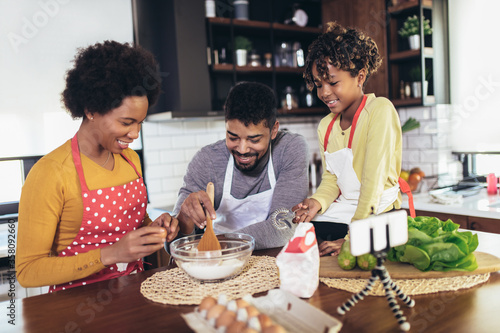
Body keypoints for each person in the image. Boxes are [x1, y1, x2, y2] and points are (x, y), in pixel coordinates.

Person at [16, 41, 179, 291]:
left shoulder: (130, 159)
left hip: (135, 295)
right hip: (75, 310)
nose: (134, 134)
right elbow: (27, 271)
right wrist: (110, 254)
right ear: (91, 110)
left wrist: (153, 228)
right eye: (126, 122)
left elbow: (133, 223)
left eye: (140, 123)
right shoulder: (51, 173)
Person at [293, 22, 414, 256]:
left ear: (360, 77)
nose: (324, 92)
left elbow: (372, 185)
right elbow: (331, 180)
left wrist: (353, 239)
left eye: (333, 82)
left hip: (381, 213)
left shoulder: (380, 110)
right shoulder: (326, 126)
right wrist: (317, 201)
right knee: (305, 232)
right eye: (319, 84)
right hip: (347, 211)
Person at [173, 81, 309, 250]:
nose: (242, 149)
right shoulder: (207, 161)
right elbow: (173, 245)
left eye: (254, 139)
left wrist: (220, 243)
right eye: (233, 137)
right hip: (221, 262)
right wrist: (184, 219)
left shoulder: (289, 149)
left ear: (274, 130)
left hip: (274, 260)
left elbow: (283, 227)